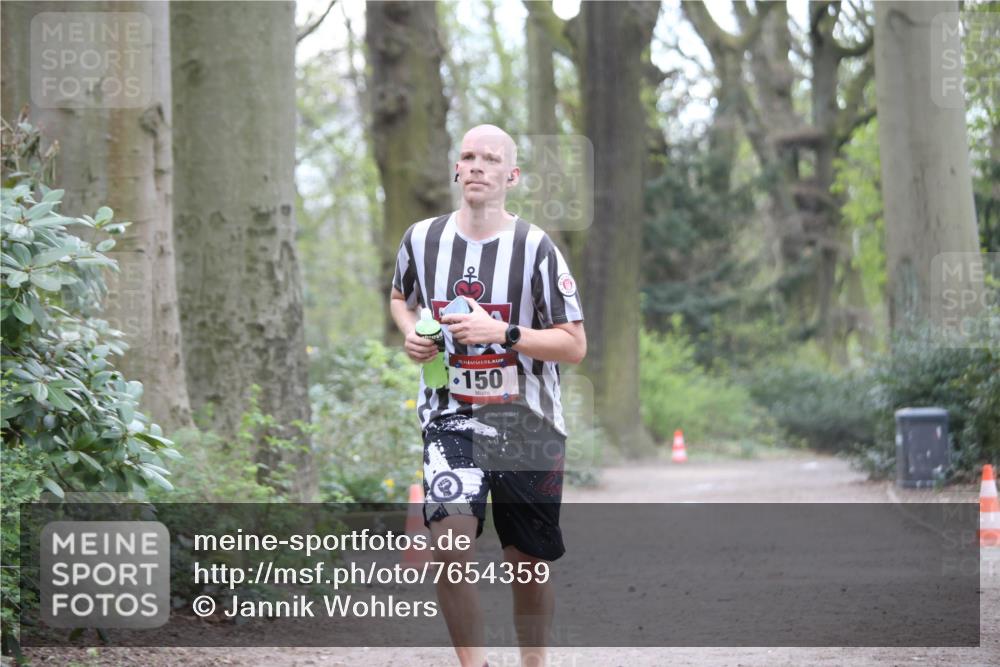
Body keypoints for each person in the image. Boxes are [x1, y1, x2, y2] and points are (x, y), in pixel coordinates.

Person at [389, 125, 586, 667]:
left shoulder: (536, 248)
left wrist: (504, 332)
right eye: (468, 156)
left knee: (528, 564)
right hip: (450, 417)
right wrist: (412, 333)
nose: (477, 166)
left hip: (527, 422)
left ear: (511, 175)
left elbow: (574, 345)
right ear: (457, 169)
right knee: (449, 548)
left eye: (491, 159)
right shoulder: (421, 239)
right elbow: (401, 296)